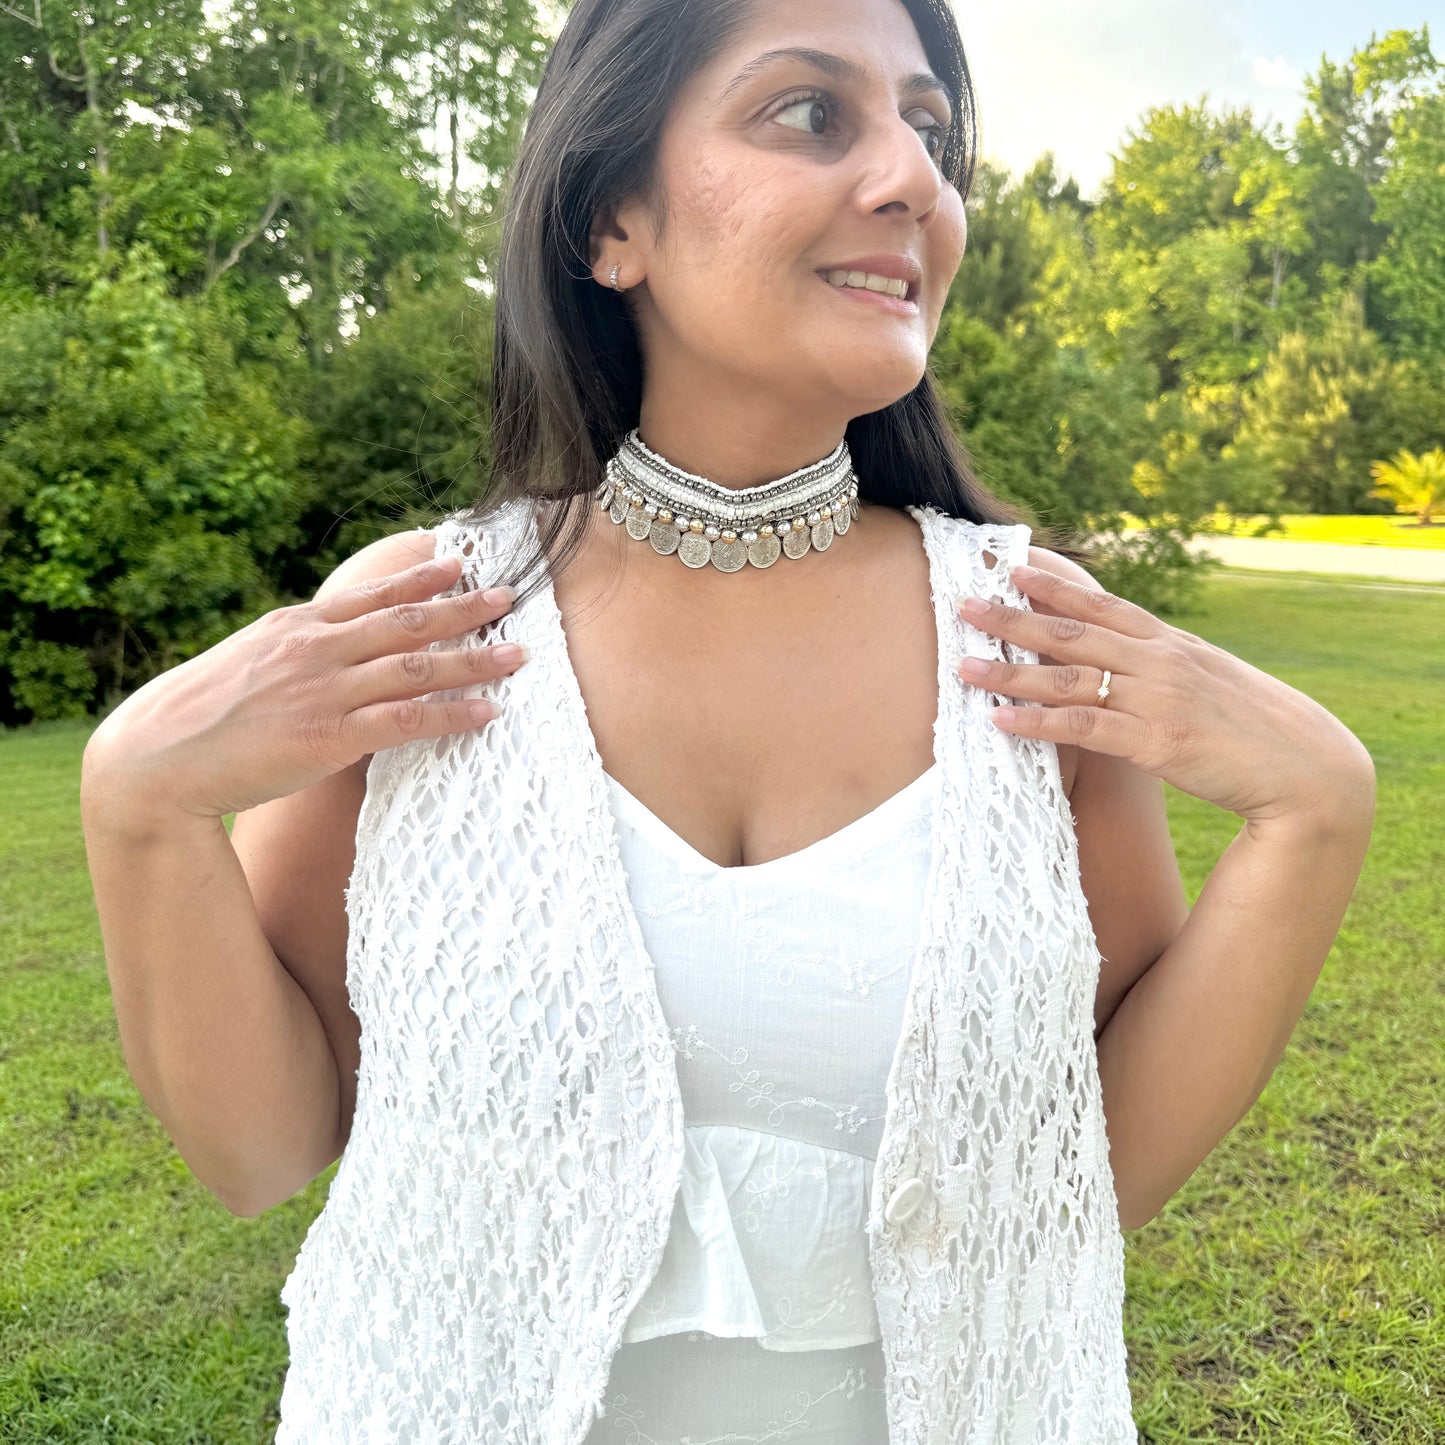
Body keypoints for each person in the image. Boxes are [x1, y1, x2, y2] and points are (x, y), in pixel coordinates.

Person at [79, 0, 1377, 1440]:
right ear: (609, 221)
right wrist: (141, 802)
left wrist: (1313, 808)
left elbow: (1076, 1173)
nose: (911, 181)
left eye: (929, 131)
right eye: (811, 114)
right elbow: (262, 1150)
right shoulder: (435, 617)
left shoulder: (1030, 640)